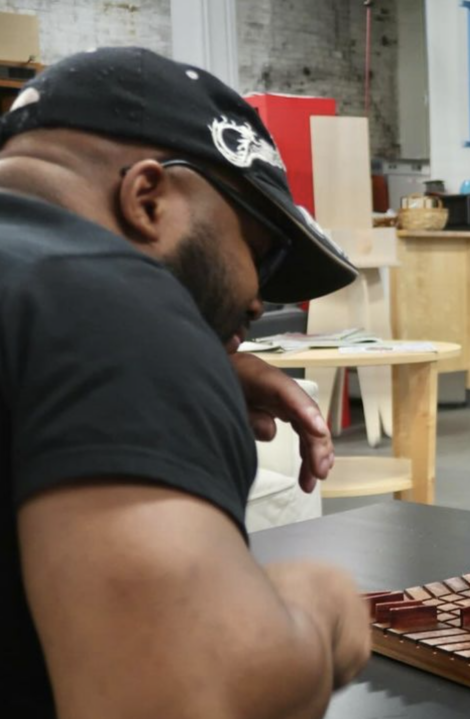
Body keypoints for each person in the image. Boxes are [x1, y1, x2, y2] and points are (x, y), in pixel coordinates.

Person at [1, 47, 372, 718]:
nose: (258, 299)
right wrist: (315, 610)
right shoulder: (111, 303)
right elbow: (192, 695)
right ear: (147, 198)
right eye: (256, 252)